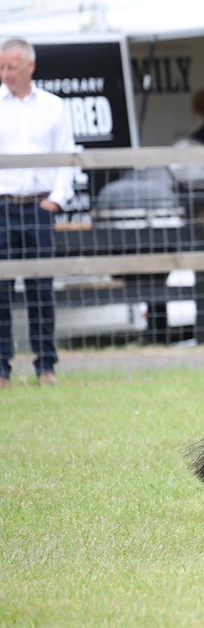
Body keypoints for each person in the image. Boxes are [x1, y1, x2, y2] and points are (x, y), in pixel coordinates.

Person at [0, 38, 76, 388]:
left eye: (10, 67)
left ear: (30, 66)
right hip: (3, 207)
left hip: (39, 207)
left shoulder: (53, 107)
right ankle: (2, 369)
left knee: (41, 290)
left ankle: (46, 366)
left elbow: (67, 156)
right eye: (1, 67)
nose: (5, 73)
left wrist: (55, 201)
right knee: (1, 291)